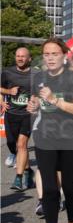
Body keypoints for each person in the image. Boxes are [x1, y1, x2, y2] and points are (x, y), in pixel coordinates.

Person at [26, 38, 73, 223]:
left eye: (54, 54)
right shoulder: (39, 78)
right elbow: (35, 103)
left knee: (69, 189)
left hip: (71, 140)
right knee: (50, 189)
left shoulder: (72, 78)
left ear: (64, 55)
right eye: (46, 54)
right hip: (45, 139)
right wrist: (32, 106)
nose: (50, 58)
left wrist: (55, 100)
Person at [1, 47, 35, 190]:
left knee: (22, 145)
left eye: (23, 56)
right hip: (11, 114)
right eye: (18, 56)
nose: (20, 58)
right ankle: (28, 171)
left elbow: (40, 92)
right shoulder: (7, 72)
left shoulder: (36, 74)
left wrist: (34, 102)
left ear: (29, 58)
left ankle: (18, 178)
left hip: (27, 115)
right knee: (13, 145)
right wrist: (5, 97)